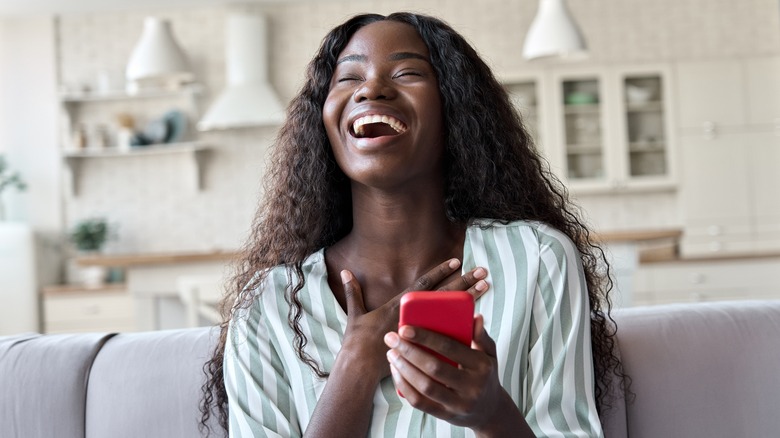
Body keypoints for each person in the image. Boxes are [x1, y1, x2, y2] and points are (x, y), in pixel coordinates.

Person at [201, 11, 625, 438]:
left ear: (453, 108)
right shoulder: (269, 307)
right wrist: (355, 366)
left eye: (406, 72)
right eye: (348, 78)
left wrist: (493, 413)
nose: (372, 88)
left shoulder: (537, 259)